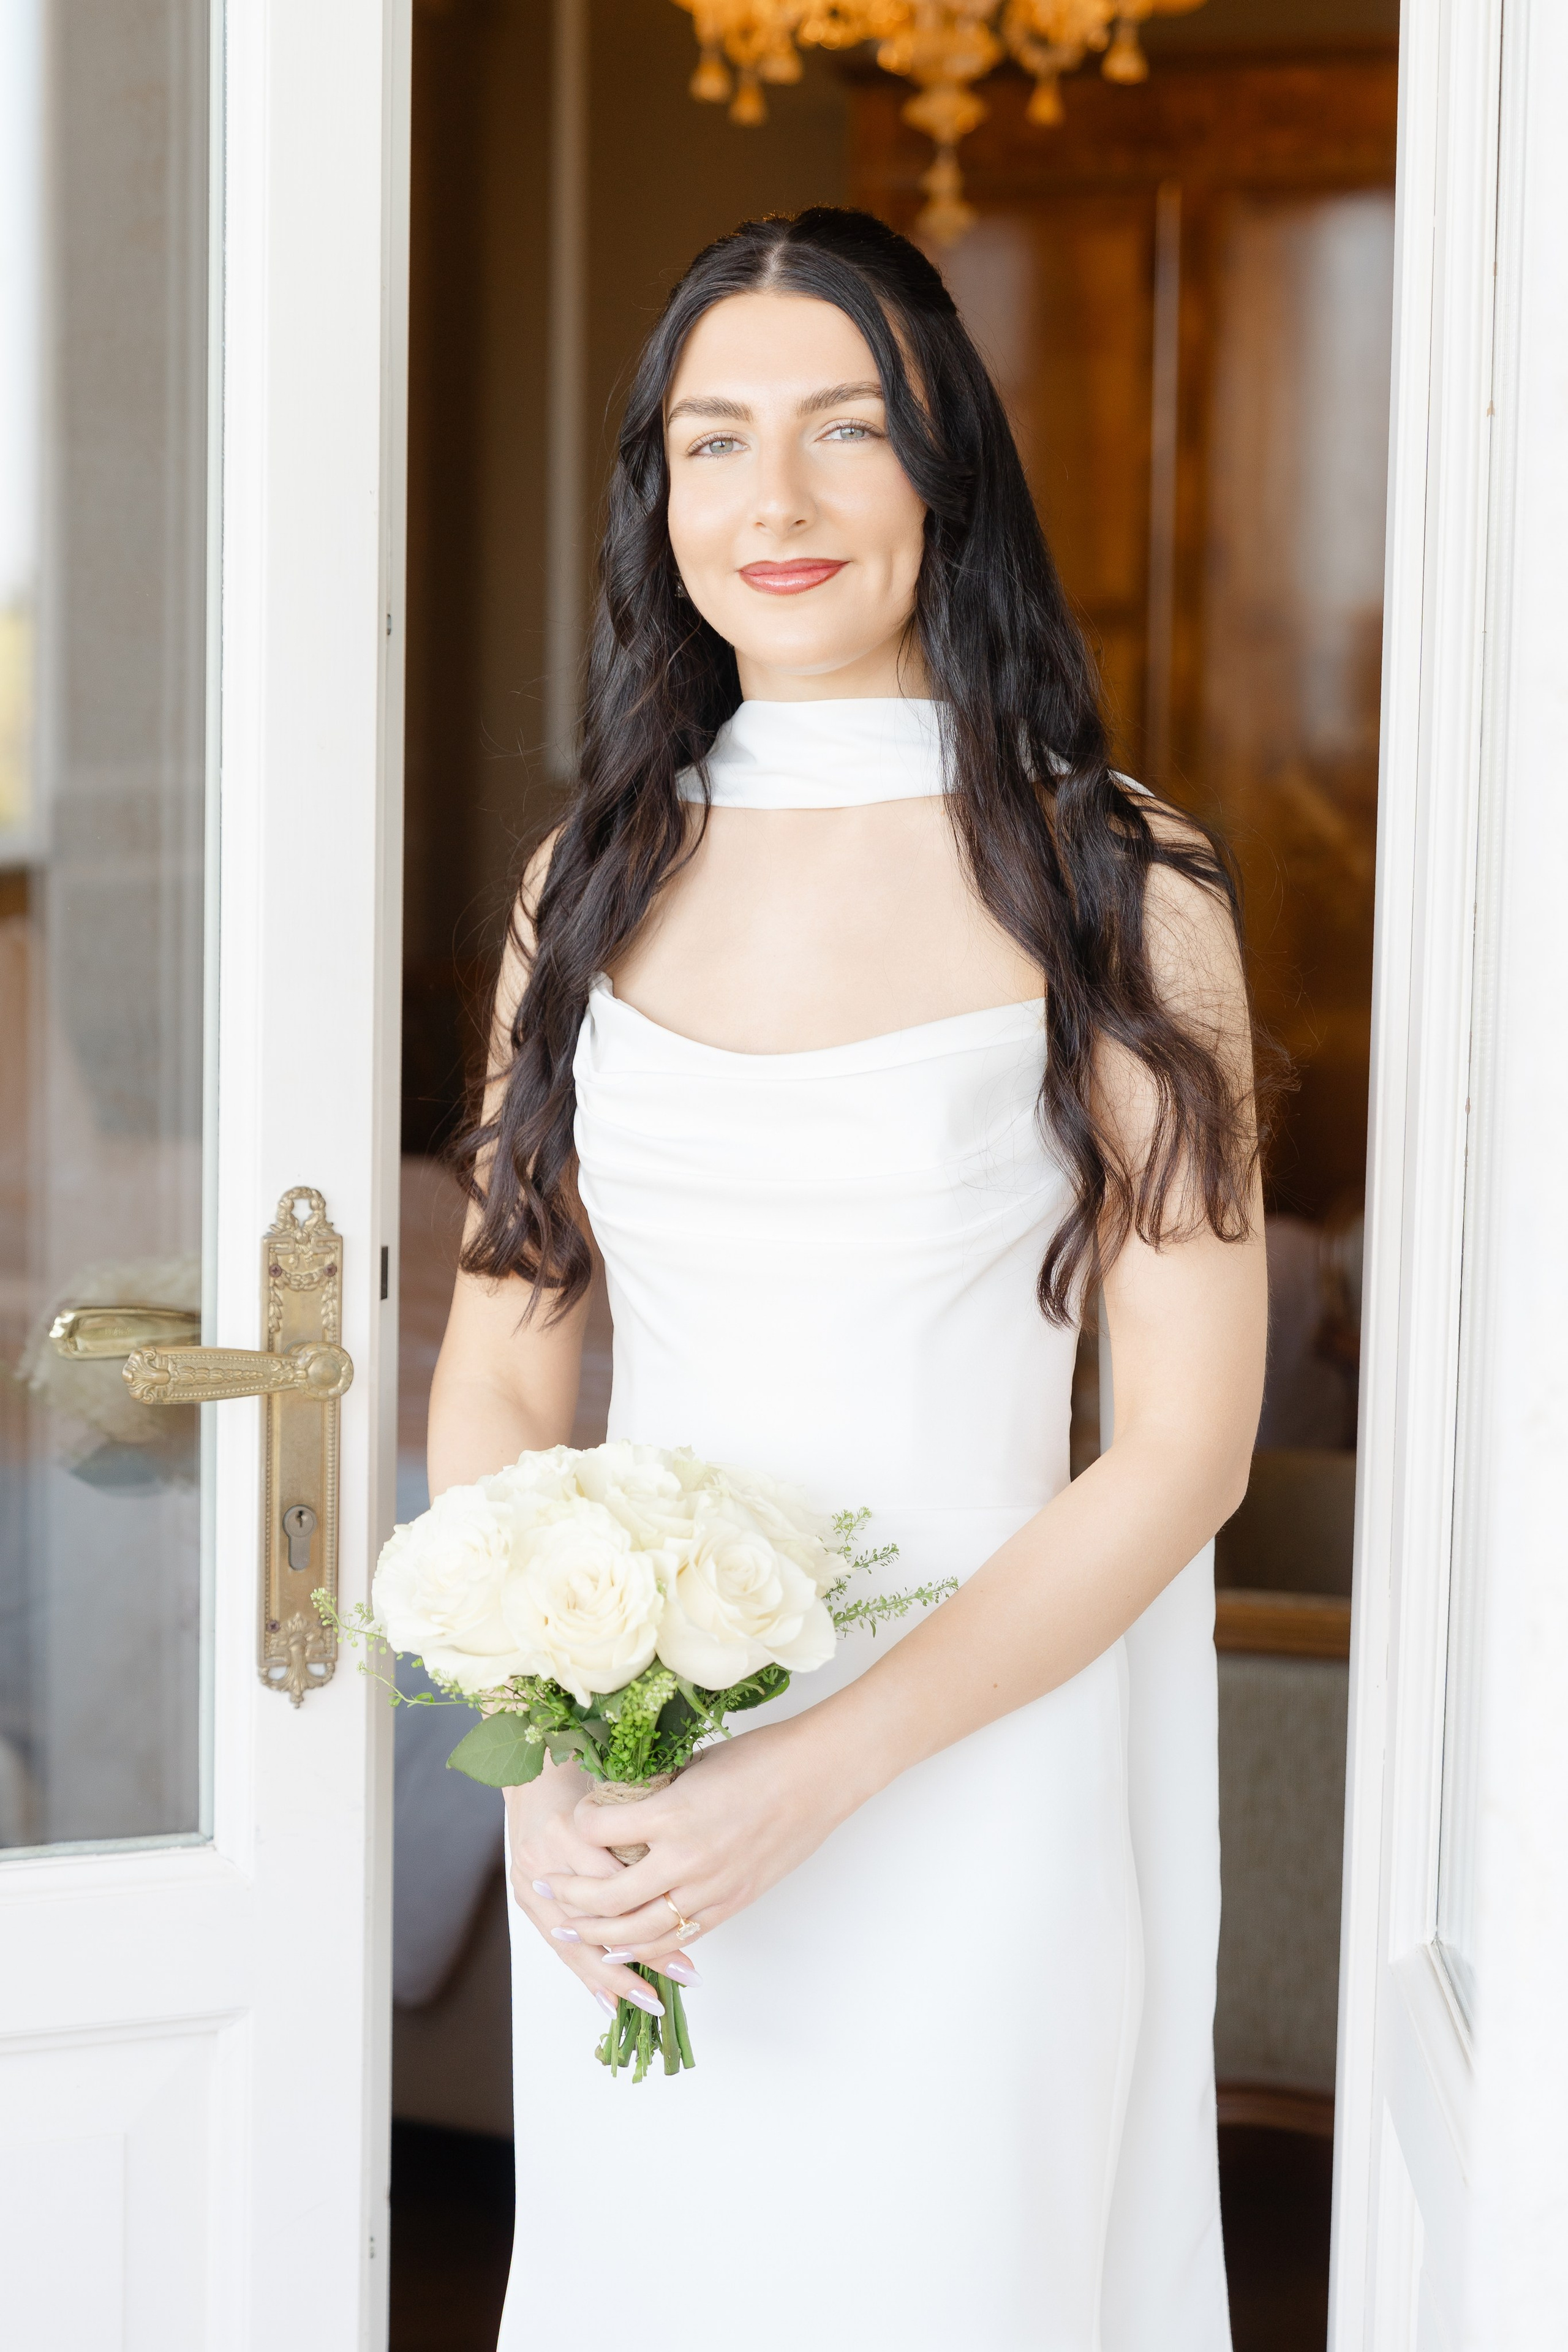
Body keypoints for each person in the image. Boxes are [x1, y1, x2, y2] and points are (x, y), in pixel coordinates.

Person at [428, 206, 1266, 2352]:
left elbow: (1181, 1450)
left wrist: (807, 1775)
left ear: (945, 475)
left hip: (973, 1772)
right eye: (712, 443)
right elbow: (507, 1371)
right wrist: (554, 1768)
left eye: (841, 432)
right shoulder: (590, 874)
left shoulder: (1115, 877)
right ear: (661, 498)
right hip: (635, 1812)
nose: (771, 502)